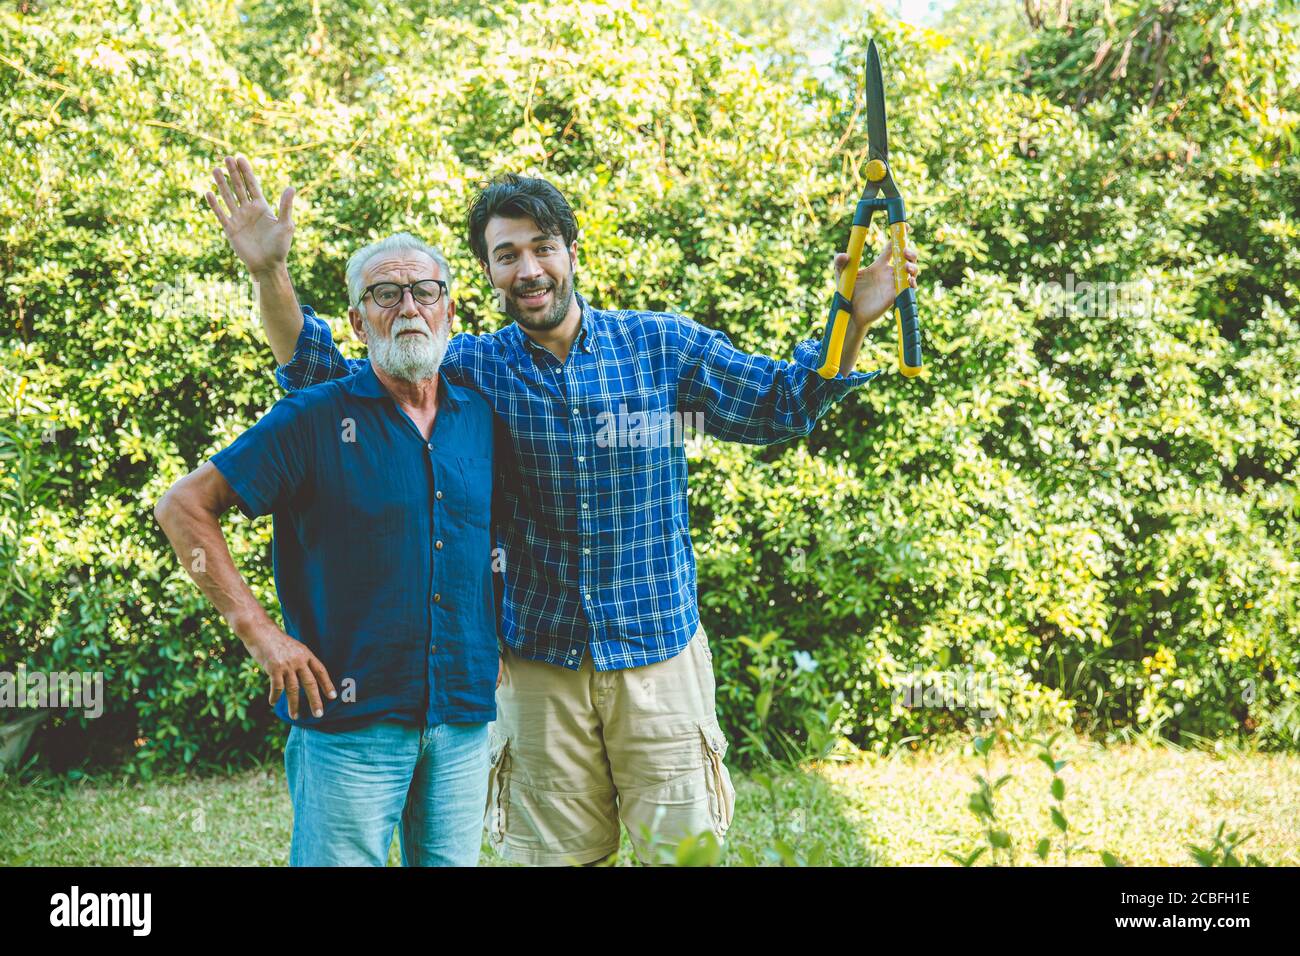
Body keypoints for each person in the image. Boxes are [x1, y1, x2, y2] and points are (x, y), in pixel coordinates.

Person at [204, 155, 919, 866]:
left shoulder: (661, 346)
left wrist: (851, 319)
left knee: (687, 857)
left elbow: (783, 403)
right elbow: (319, 373)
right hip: (538, 666)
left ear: (572, 252)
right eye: (506, 254)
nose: (529, 269)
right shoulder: (469, 368)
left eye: (543, 247)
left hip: (658, 658)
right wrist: (270, 275)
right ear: (486, 274)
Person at [154, 222, 499, 866]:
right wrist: (259, 632)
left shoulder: (478, 415)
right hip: (348, 719)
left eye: (425, 291)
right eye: (385, 294)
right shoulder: (315, 416)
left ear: (450, 309)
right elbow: (183, 507)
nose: (408, 308)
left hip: (461, 717)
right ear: (357, 319)